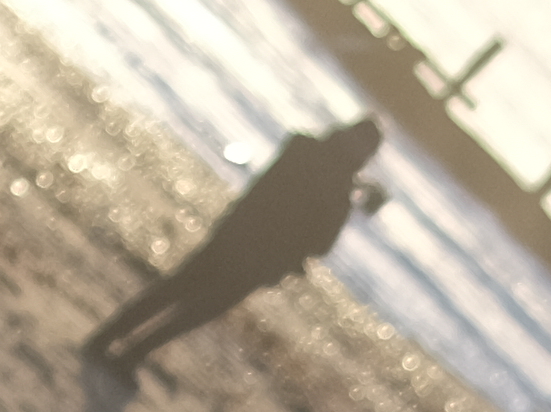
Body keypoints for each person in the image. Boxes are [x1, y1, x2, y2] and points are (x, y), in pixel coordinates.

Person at [80, 118, 386, 381]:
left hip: (233, 235)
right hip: (257, 261)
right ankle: (130, 355)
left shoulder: (302, 147)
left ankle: (106, 339)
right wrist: (356, 194)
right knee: (193, 311)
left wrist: (352, 189)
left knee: (173, 290)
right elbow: (321, 245)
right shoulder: (338, 194)